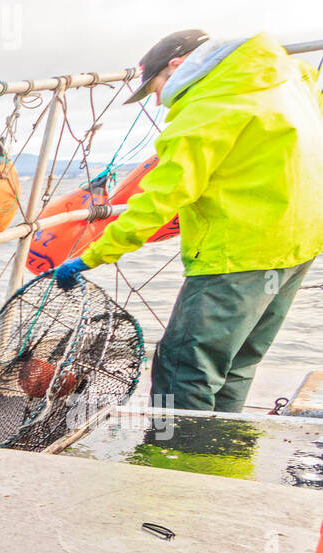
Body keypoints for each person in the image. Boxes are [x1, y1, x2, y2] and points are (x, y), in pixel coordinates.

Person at [54, 29, 323, 413]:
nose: (160, 101)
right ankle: (220, 465)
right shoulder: (291, 77)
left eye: (156, 88)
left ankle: (174, 465)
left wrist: (92, 257)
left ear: (177, 65)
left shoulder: (207, 107)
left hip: (237, 256)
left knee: (182, 370)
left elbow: (161, 197)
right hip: (299, 247)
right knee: (236, 364)